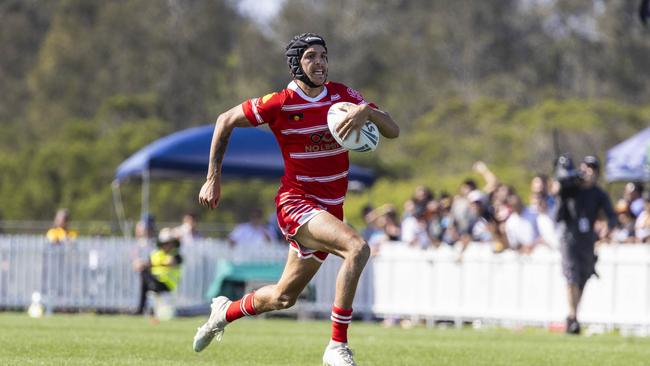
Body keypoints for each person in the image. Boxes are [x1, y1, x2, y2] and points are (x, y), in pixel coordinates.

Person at [193, 33, 399, 365]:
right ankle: (337, 346)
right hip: (297, 203)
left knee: (282, 297)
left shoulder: (343, 95)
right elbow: (224, 120)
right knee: (357, 248)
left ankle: (224, 311)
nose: (320, 63)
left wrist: (367, 113)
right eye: (311, 57)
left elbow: (393, 130)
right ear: (295, 65)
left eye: (323, 56)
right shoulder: (281, 102)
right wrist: (213, 178)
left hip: (330, 209)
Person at [553, 155, 616, 335]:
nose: (588, 171)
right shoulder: (572, 186)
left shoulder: (598, 193)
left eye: (592, 168)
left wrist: (607, 227)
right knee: (571, 275)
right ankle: (573, 316)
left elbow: (611, 216)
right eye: (585, 167)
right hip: (569, 236)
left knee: (582, 277)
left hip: (587, 239)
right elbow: (560, 189)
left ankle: (572, 317)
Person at [133, 228, 183, 319]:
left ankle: (140, 308)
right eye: (166, 243)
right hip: (155, 281)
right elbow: (148, 264)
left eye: (169, 243)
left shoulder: (176, 254)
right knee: (143, 273)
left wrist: (148, 265)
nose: (168, 245)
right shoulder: (156, 254)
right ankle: (141, 308)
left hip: (167, 284)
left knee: (144, 273)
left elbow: (170, 262)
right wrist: (140, 264)